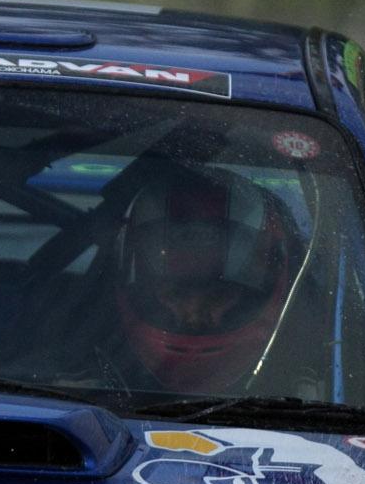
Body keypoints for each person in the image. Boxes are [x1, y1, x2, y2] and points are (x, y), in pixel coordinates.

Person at [103, 163, 301, 394]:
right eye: (178, 293)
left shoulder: (324, 369)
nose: (194, 317)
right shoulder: (79, 379)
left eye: (217, 294)